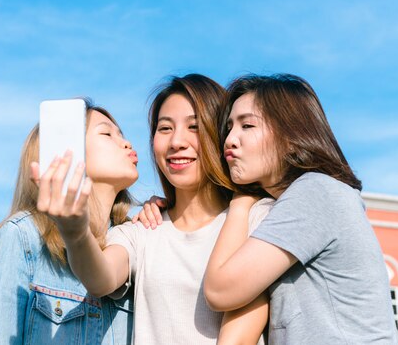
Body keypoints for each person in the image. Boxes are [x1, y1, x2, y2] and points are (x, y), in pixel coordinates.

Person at [38, 74, 269, 345]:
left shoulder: (258, 217)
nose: (176, 142)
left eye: (194, 127)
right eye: (164, 128)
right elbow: (100, 278)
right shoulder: (142, 230)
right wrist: (76, 232)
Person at [203, 74, 398, 344]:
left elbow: (221, 290)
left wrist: (239, 204)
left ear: (292, 135)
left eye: (247, 125)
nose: (230, 139)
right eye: (229, 127)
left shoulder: (315, 192)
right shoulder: (306, 197)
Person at [0, 100, 139, 345]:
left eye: (121, 134)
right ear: (66, 151)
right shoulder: (23, 238)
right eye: (107, 133)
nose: (126, 143)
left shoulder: (134, 241)